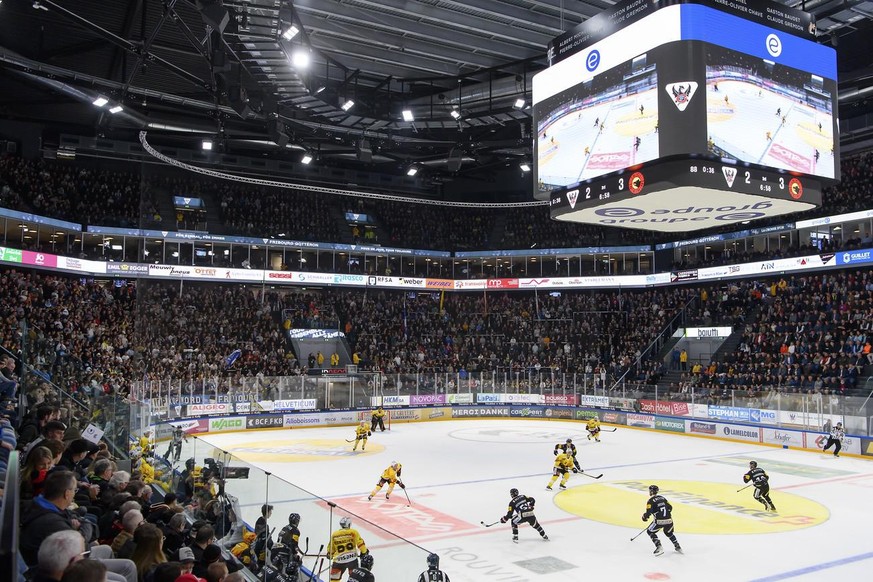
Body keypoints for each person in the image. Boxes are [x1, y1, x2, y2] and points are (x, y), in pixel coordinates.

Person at [641, 485, 682, 556]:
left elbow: (648, 513)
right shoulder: (663, 498)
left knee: (650, 531)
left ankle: (659, 547)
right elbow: (670, 508)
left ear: (650, 491)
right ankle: (677, 546)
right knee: (668, 533)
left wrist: (644, 517)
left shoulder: (650, 501)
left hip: (659, 521)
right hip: (669, 520)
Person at [327, 517, 368, 581]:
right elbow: (360, 544)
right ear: (349, 524)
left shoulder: (335, 534)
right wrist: (364, 552)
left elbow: (331, 547)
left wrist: (330, 554)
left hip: (338, 560)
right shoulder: (353, 532)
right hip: (352, 560)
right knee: (354, 579)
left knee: (334, 580)